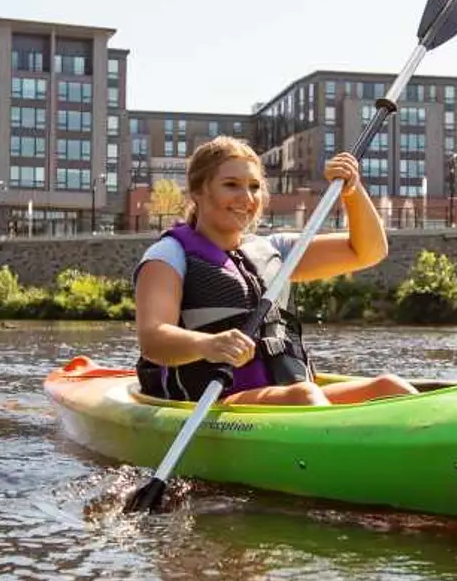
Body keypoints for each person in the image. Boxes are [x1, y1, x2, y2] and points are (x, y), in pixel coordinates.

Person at [133, 136, 419, 406]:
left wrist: (352, 192)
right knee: (305, 396)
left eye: (255, 187)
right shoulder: (170, 254)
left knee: (390, 387)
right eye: (231, 185)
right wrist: (209, 344)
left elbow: (368, 251)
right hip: (214, 400)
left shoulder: (275, 250)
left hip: (287, 392)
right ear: (198, 191)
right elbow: (153, 340)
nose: (246, 198)